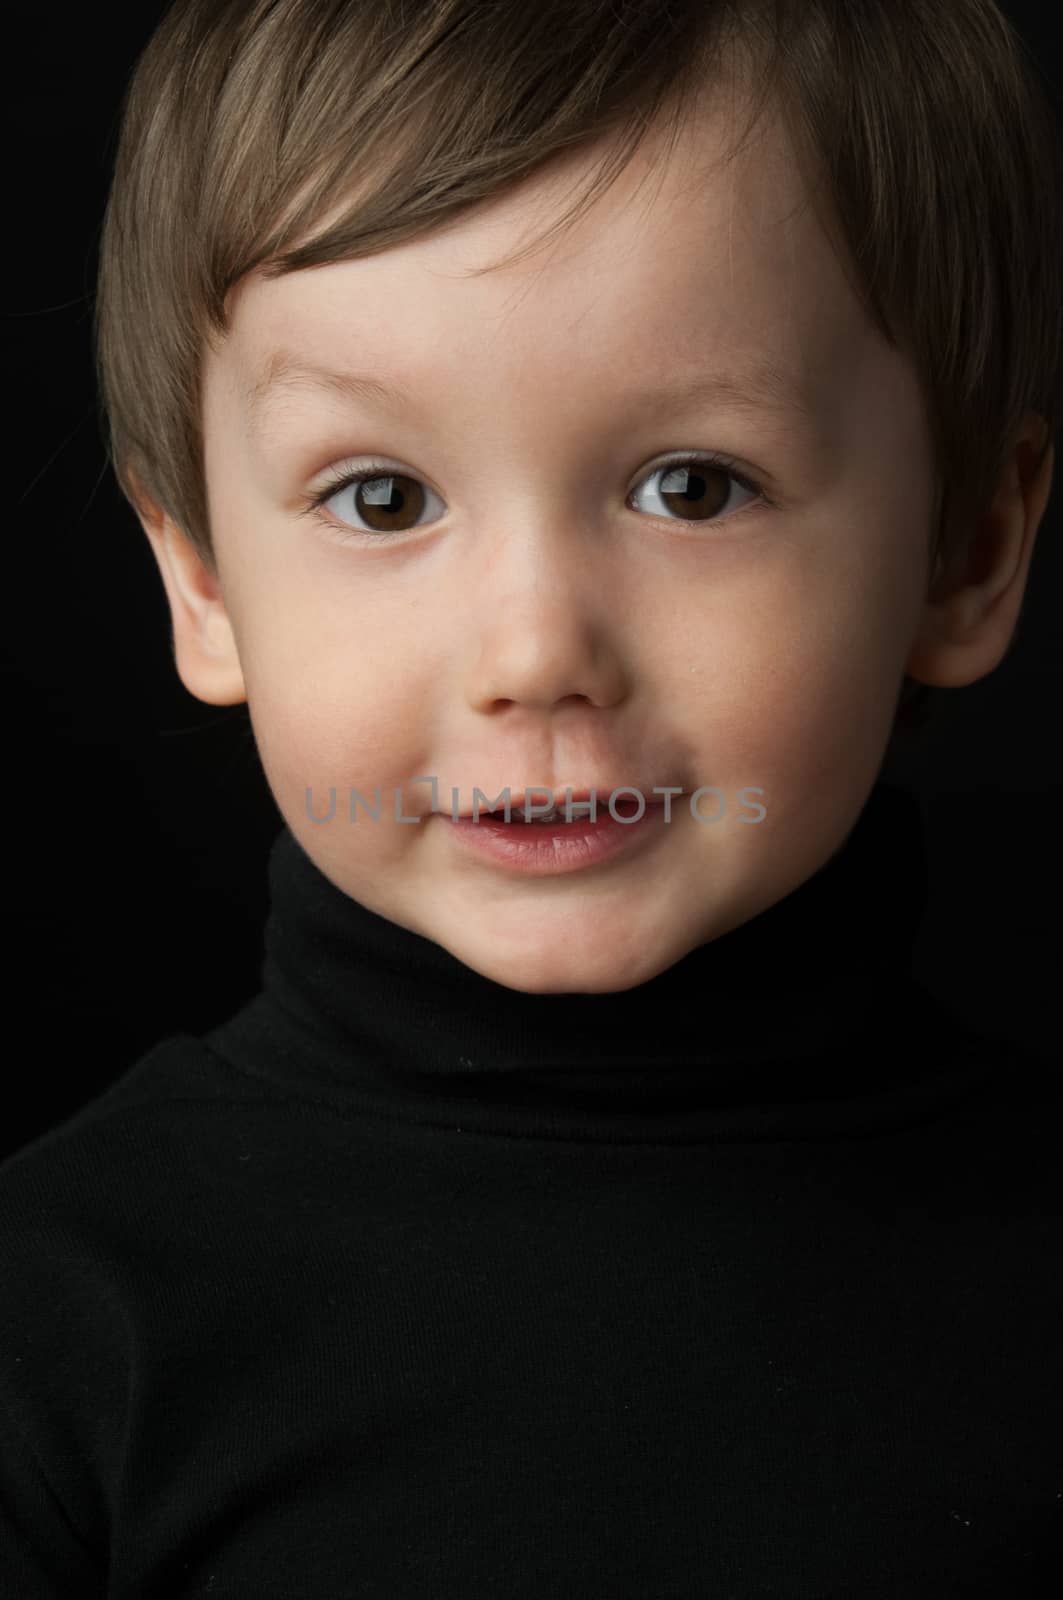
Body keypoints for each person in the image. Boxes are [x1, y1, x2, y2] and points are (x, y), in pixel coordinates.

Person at [1, 0, 1060, 1593]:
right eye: (383, 498)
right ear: (205, 585)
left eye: (692, 486)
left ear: (966, 552)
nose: (536, 652)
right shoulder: (55, 1319)